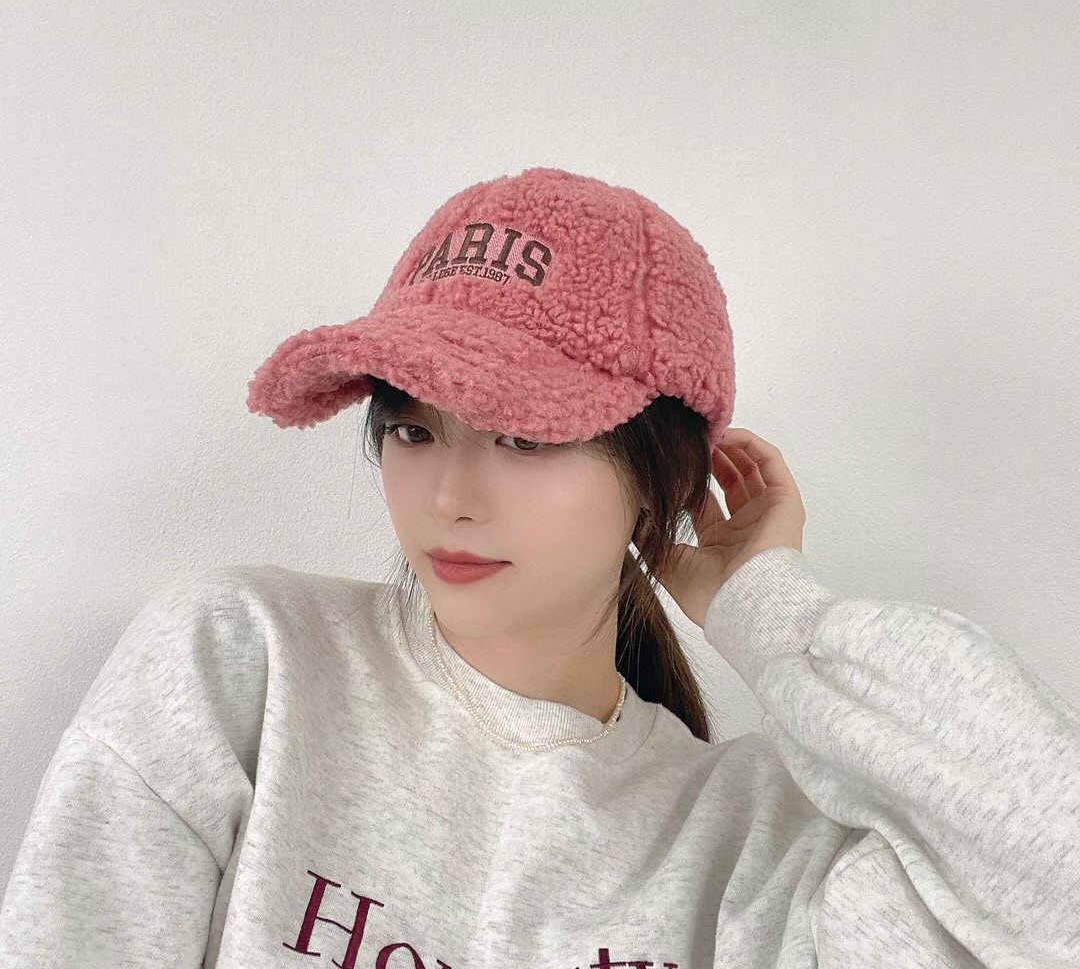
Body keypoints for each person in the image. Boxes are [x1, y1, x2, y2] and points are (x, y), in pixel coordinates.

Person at [1, 166, 1078, 968]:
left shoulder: (749, 846)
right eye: (413, 428)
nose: (450, 496)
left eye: (524, 436)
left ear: (661, 474)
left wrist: (772, 615)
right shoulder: (245, 663)